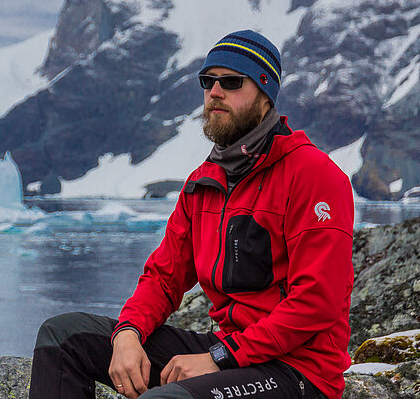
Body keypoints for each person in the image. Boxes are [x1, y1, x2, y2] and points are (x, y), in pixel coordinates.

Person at [28, 30, 354, 399]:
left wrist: (220, 356)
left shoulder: (313, 174)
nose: (215, 92)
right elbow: (163, 277)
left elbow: (316, 303)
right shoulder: (204, 183)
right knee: (64, 337)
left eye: (231, 82)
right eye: (208, 81)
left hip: (297, 373)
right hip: (231, 354)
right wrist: (128, 332)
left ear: (265, 95)